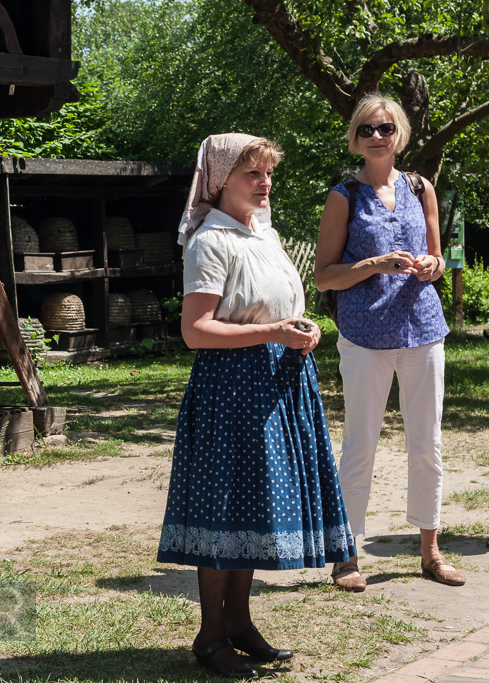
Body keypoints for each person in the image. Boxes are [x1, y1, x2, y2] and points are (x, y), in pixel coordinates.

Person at [157, 134, 356, 679]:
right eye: (252, 174)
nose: (265, 183)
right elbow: (195, 331)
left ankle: (240, 624)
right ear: (221, 181)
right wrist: (272, 330)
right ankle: (210, 634)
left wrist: (303, 326)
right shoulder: (211, 241)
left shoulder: (262, 234)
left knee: (252, 506)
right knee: (225, 509)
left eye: (268, 173)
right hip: (233, 386)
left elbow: (275, 305)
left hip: (276, 382)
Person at [314, 93, 461, 591]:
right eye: (366, 130)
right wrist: (375, 264)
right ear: (355, 140)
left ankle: (430, 551)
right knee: (361, 444)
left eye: (385, 128)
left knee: (428, 443)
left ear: (399, 133)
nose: (376, 136)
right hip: (364, 334)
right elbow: (324, 278)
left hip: (423, 328)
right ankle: (347, 555)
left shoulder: (422, 188)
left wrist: (431, 266)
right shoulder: (343, 196)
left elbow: (438, 259)